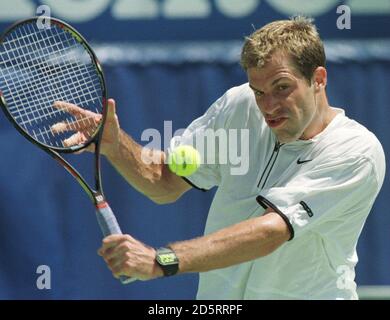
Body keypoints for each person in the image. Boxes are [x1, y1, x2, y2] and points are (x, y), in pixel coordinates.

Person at [55, 16, 385, 299]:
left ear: (318, 79)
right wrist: (116, 145)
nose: (268, 106)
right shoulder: (239, 106)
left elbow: (269, 231)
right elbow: (165, 182)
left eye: (282, 87)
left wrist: (161, 261)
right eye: (259, 91)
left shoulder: (356, 150)